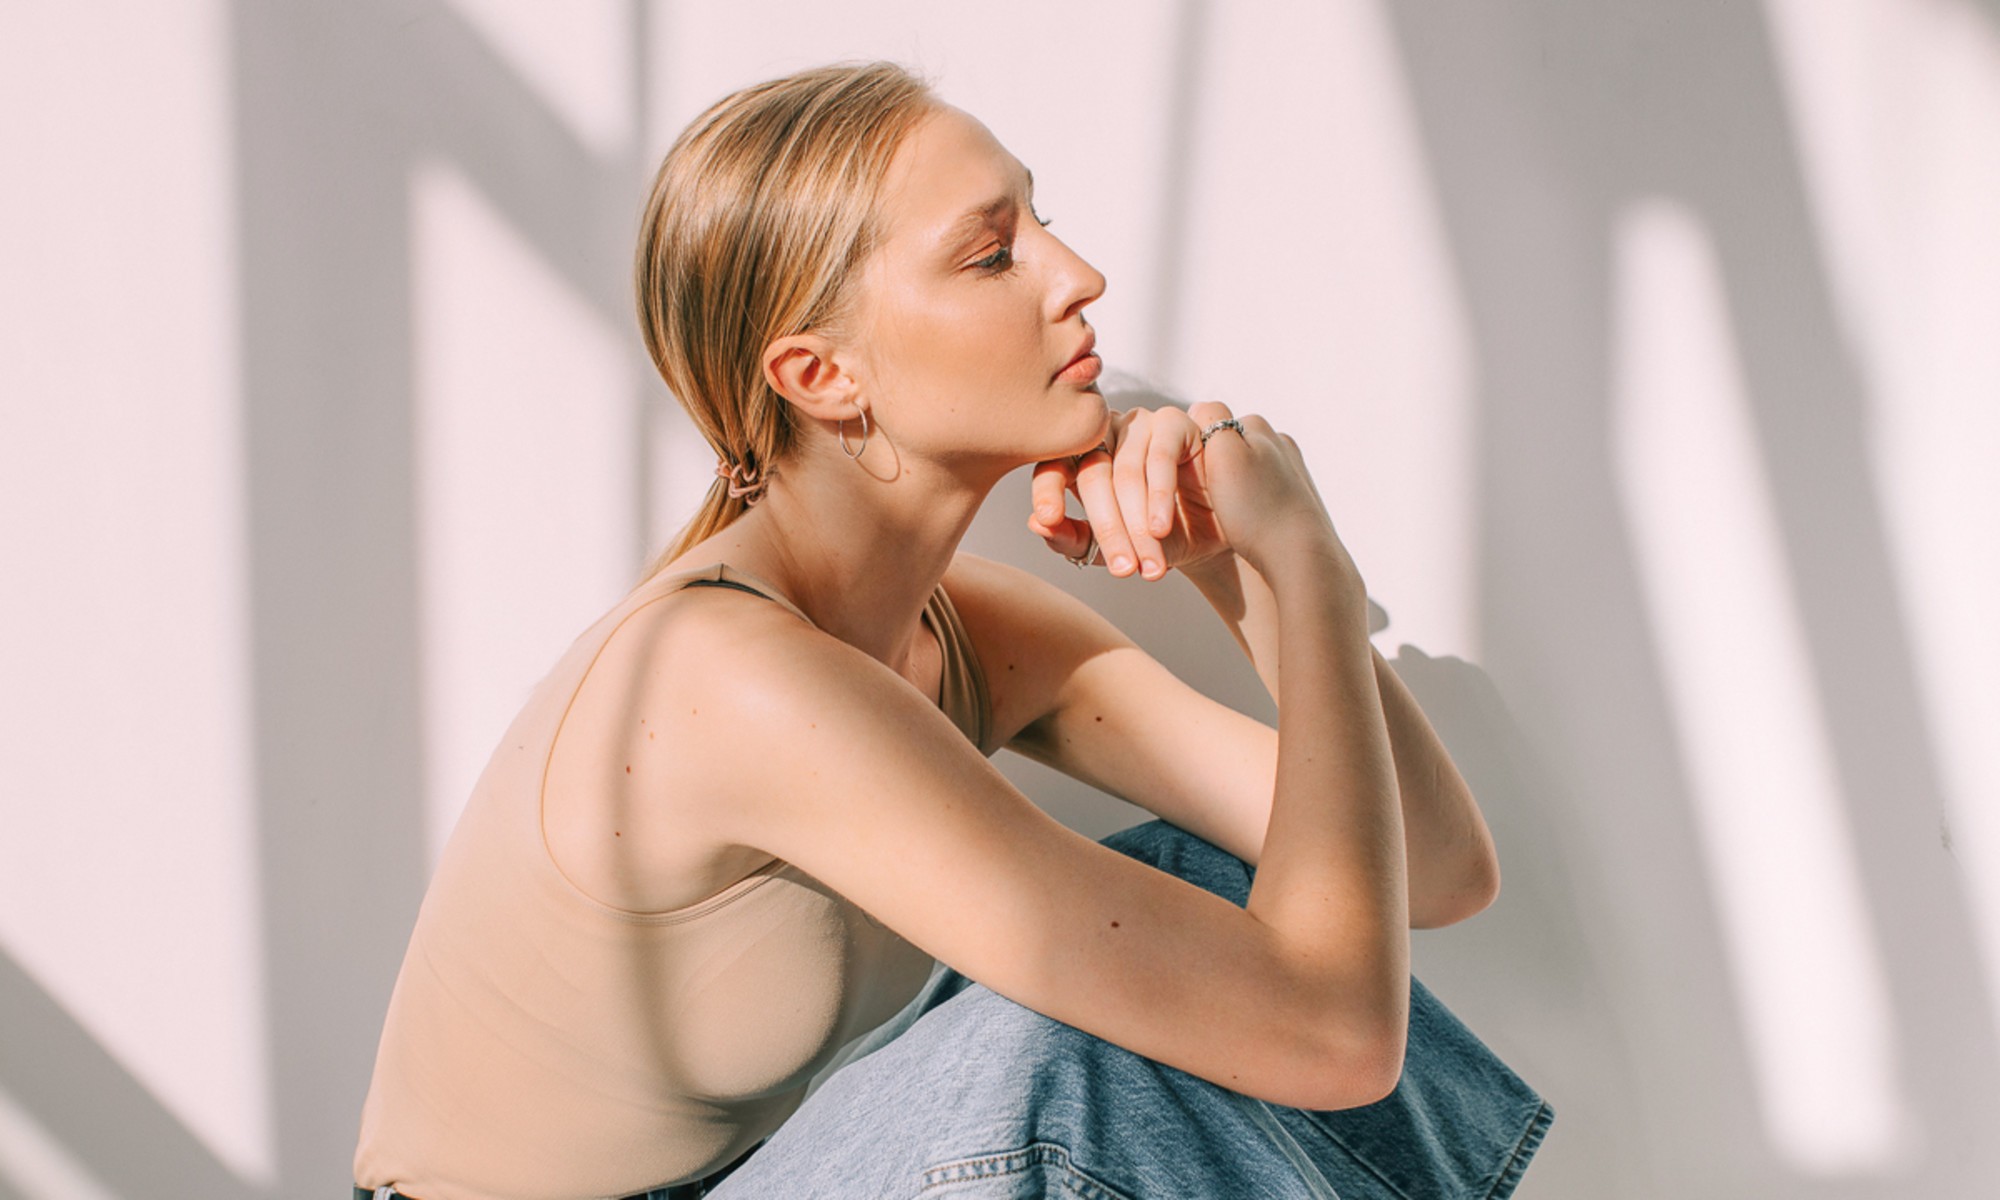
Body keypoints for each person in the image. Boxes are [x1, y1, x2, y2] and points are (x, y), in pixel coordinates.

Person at [351, 59, 1553, 1200]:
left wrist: (1241, 571)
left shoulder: (966, 632)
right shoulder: (727, 678)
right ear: (820, 376)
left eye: (1041, 222)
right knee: (1072, 1052)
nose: (1077, 276)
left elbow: (1434, 871)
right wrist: (1312, 571)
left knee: (1201, 895)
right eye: (991, 256)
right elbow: (1331, 1040)